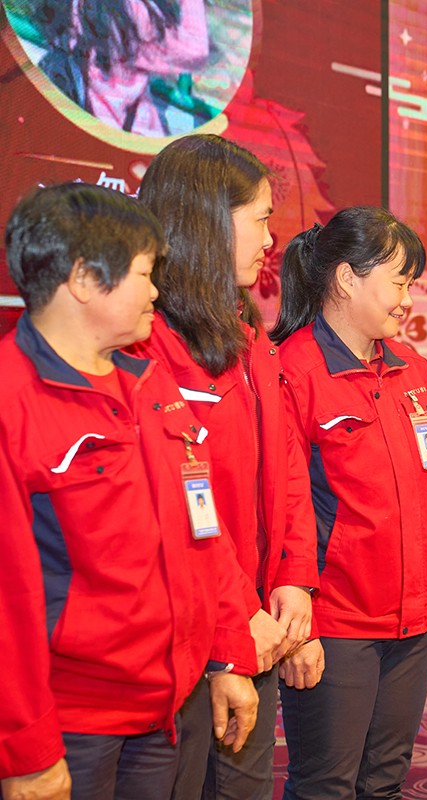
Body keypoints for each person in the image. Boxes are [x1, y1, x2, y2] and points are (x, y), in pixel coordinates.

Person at [0, 183, 257, 800]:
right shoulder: (13, 400)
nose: (156, 292)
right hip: (72, 721)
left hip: (165, 709)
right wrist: (26, 750)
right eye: (144, 274)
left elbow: (202, 528)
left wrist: (227, 654)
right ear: (83, 280)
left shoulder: (149, 384)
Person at [134, 133, 318, 800]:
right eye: (261, 219)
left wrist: (295, 578)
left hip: (254, 625)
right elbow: (187, 509)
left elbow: (288, 465)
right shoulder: (149, 347)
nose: (271, 239)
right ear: (207, 221)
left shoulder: (248, 336)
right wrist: (232, 624)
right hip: (194, 632)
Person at [268, 207, 427, 798]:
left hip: (412, 620)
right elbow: (285, 508)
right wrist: (300, 627)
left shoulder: (414, 371)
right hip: (335, 621)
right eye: (399, 283)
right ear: (346, 278)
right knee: (325, 785)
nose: (408, 300)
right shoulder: (293, 371)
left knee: (385, 780)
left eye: (412, 285)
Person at [29, 0, 210, 136]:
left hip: (82, 119)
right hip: (123, 131)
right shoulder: (133, 12)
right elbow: (195, 52)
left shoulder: (77, 5)